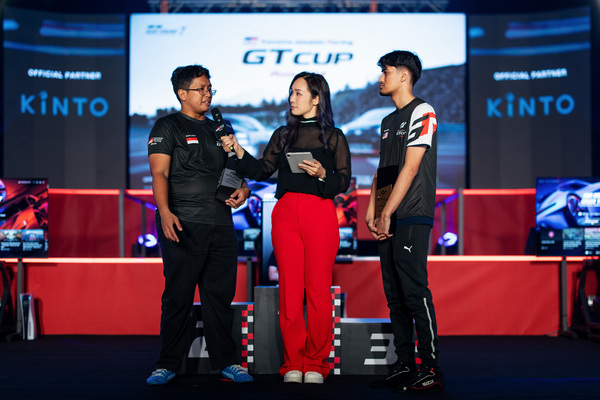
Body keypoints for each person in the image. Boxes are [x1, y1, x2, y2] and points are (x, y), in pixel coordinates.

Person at [221, 72, 351, 384]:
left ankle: (317, 364)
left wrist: (322, 173)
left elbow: (343, 181)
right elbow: (262, 171)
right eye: (290, 92)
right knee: (290, 291)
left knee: (319, 292)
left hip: (320, 213)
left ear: (316, 98)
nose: (291, 98)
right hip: (285, 214)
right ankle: (293, 362)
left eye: (298, 93)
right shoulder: (282, 134)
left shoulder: (334, 137)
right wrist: (238, 151)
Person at [145, 64, 254, 385]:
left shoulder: (221, 128)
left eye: (210, 88)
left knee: (219, 298)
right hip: (182, 223)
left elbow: (236, 171)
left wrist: (244, 191)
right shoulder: (167, 126)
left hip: (220, 225)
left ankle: (227, 362)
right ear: (182, 93)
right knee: (178, 296)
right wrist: (164, 212)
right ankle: (167, 364)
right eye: (201, 89)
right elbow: (159, 174)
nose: (207, 94)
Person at [366, 51, 444, 393]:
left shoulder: (423, 111)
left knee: (414, 290)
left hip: (412, 213)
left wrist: (387, 212)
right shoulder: (387, 122)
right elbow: (385, 170)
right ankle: (405, 363)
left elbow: (411, 168)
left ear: (403, 75)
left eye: (384, 71)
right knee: (394, 295)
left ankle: (429, 366)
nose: (380, 77)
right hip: (387, 215)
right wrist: (372, 207)